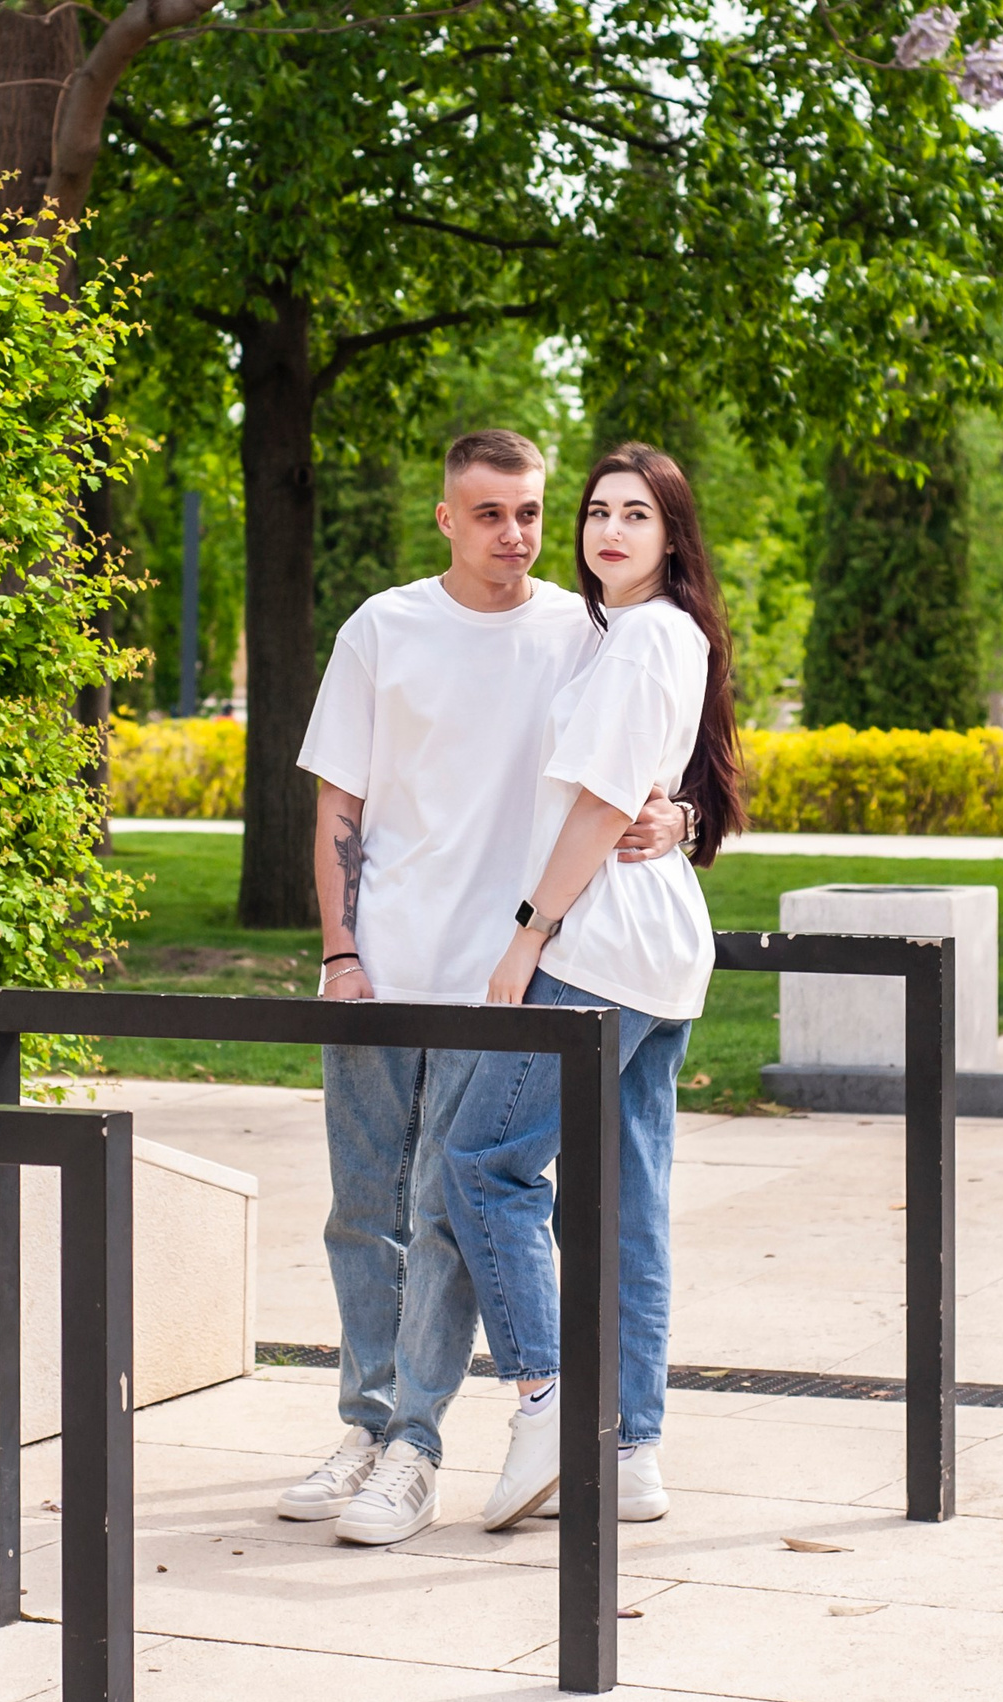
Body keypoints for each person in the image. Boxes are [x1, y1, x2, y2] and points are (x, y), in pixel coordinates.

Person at [282, 429, 685, 1546]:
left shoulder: (585, 627)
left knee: (444, 1213)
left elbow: (647, 758)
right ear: (447, 520)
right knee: (362, 1213)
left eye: (531, 513)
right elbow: (338, 811)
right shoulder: (384, 626)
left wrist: (677, 814)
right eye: (491, 514)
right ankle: (365, 1427)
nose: (516, 536)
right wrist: (340, 954)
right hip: (382, 968)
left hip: (506, 980)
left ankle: (415, 1446)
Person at [432, 441, 744, 1533]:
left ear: (670, 540)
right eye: (598, 512)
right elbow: (652, 790)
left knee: (482, 1164)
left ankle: (549, 1402)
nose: (608, 530)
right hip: (658, 956)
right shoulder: (644, 635)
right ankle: (635, 1452)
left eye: (636, 516)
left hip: (599, 950)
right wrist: (684, 817)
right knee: (628, 1204)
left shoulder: (643, 638)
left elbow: (604, 805)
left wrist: (528, 935)